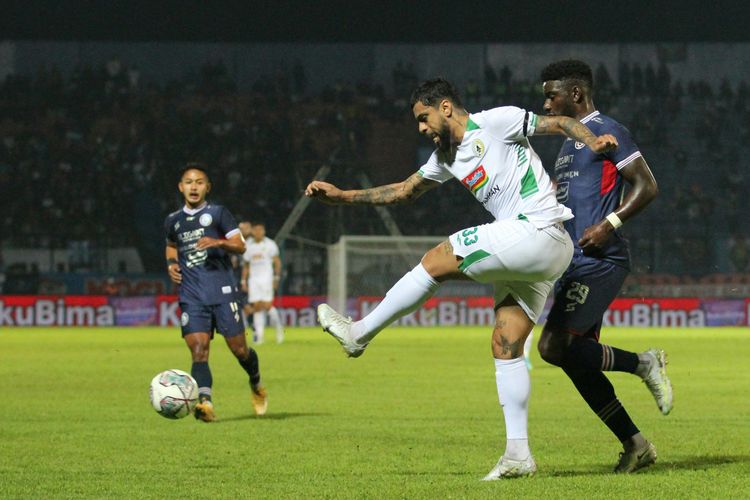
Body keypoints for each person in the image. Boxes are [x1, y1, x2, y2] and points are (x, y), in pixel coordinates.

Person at [305, 78, 618, 479]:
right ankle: (518, 454)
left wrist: (591, 141)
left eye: (423, 118)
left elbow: (556, 123)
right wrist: (342, 197)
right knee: (506, 344)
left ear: (446, 107)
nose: (421, 128)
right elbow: (404, 191)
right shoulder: (446, 157)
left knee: (439, 258)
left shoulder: (497, 121)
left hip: (538, 230)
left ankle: (359, 333)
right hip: (538, 250)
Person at [536, 60, 672, 473]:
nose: (545, 104)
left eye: (551, 95)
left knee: (552, 345)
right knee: (574, 357)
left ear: (575, 94)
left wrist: (609, 224)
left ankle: (644, 363)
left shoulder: (607, 128)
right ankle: (636, 444)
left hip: (601, 258)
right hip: (572, 262)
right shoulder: (567, 142)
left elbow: (647, 185)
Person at [164, 163, 268, 421]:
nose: (194, 186)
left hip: (221, 292)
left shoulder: (219, 214)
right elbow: (170, 246)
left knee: (240, 351)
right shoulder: (173, 221)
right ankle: (205, 403)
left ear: (207, 187)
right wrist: (171, 265)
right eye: (189, 182)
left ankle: (256, 382)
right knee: (199, 350)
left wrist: (218, 242)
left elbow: (240, 246)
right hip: (191, 295)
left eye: (199, 182)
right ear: (181, 187)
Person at [241, 221, 285, 344]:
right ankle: (259, 337)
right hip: (254, 281)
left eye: (261, 230)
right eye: (256, 230)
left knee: (267, 306)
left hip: (267, 279)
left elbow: (277, 262)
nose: (258, 232)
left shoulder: (270, 244)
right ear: (253, 231)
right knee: (256, 307)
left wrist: (276, 278)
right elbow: (246, 265)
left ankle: (279, 329)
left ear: (264, 231)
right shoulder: (248, 245)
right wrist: (243, 281)